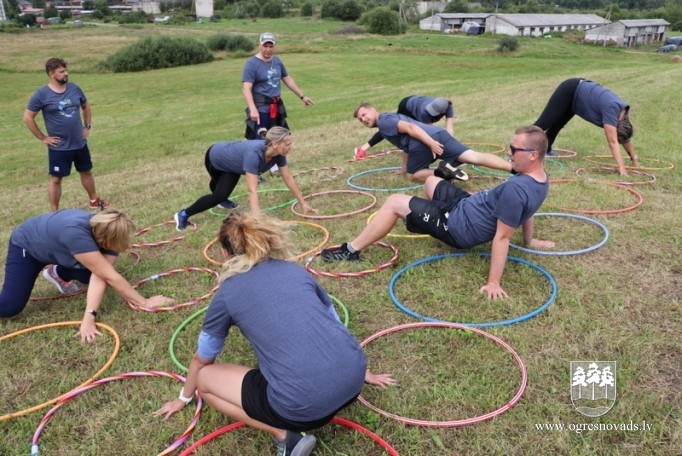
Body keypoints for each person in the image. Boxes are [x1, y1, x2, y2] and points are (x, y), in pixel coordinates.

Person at [154, 212, 395, 456]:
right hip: (354, 383)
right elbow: (336, 325)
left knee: (204, 380)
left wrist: (184, 398)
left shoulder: (227, 293)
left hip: (302, 408)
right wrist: (362, 371)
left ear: (224, 253)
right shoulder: (295, 271)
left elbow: (202, 359)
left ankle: (286, 438)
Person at [322, 125, 555, 299]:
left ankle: (351, 250)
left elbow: (502, 237)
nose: (509, 153)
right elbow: (527, 212)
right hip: (467, 205)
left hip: (458, 225)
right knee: (431, 181)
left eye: (514, 149)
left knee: (394, 202)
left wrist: (493, 282)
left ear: (533, 154)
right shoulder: (540, 181)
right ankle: (425, 217)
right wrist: (529, 240)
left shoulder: (516, 189)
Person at [0, 208, 174, 343]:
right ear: (108, 238)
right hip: (28, 247)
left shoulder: (105, 228)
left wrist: (90, 315)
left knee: (90, 274)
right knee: (10, 307)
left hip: (56, 246)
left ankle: (58, 273)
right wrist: (144, 302)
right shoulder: (76, 235)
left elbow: (102, 276)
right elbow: (110, 277)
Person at [173, 127, 315, 231]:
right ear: (275, 144)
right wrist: (257, 219)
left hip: (234, 164)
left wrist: (303, 203)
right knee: (219, 195)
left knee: (221, 191)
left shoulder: (279, 154)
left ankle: (221, 198)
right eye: (288, 144)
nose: (291, 147)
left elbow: (288, 177)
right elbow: (252, 190)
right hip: (216, 157)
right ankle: (183, 214)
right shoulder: (254, 154)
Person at [23, 57, 109, 212]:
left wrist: (87, 126)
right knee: (56, 179)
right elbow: (28, 117)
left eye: (66, 70)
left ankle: (94, 200)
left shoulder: (75, 89)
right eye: (61, 71)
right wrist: (43, 137)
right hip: (59, 146)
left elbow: (86, 106)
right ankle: (54, 212)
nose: (66, 73)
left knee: (86, 171)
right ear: (51, 74)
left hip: (79, 142)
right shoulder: (41, 94)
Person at [353, 103, 512, 183]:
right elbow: (405, 147)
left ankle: (444, 173)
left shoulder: (384, 123)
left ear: (373, 110)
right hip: (439, 133)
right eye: (361, 120)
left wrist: (430, 144)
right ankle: (513, 168)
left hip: (423, 143)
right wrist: (403, 168)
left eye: (364, 114)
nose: (364, 119)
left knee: (413, 175)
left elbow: (410, 127)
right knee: (473, 156)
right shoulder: (389, 118)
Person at [242, 32, 314, 180]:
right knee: (259, 141)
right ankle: (254, 173)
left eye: (271, 46)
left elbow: (287, 79)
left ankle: (275, 168)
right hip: (261, 108)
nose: (268, 49)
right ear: (259, 45)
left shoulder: (277, 61)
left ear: (274, 46)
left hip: (276, 107)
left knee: (279, 138)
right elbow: (246, 88)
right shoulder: (252, 64)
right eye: (265, 46)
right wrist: (253, 109)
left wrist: (302, 96)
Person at [534, 78, 640, 176]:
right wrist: (622, 169)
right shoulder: (612, 112)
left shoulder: (623, 117)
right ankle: (519, 145)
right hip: (569, 90)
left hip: (577, 97)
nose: (619, 140)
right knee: (544, 124)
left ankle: (546, 149)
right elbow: (613, 142)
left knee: (558, 124)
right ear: (616, 126)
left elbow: (625, 137)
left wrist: (634, 160)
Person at [354, 95, 455, 159]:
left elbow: (449, 129)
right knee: (390, 127)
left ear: (443, 111)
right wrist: (435, 146)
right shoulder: (425, 113)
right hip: (407, 106)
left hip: (417, 102)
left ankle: (363, 148)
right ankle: (363, 148)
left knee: (391, 127)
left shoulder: (448, 107)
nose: (363, 120)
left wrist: (451, 144)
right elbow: (428, 133)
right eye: (360, 118)